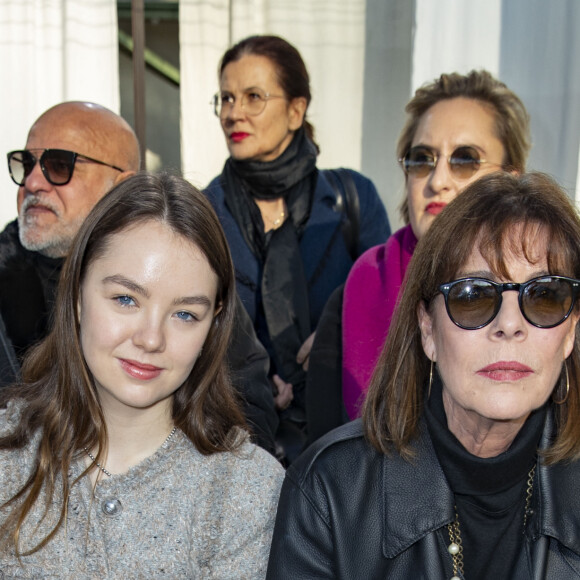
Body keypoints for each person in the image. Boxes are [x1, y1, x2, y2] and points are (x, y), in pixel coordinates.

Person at [267, 171, 580, 578]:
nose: (509, 324)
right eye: (473, 296)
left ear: (571, 331)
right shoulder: (329, 493)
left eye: (544, 296)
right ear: (428, 329)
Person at [0, 172, 284, 577]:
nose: (151, 339)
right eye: (126, 299)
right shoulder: (7, 459)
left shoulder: (245, 489)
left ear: (214, 323)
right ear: (78, 294)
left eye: (185, 314)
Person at [0, 101, 278, 452]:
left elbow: (246, 415)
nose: (34, 181)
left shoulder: (191, 277)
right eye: (27, 163)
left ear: (122, 185)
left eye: (59, 165)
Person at [306, 70, 531, 442]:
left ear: (510, 177)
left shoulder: (544, 298)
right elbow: (326, 454)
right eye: (422, 159)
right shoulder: (356, 291)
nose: (437, 179)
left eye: (465, 160)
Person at [204, 34, 390, 455]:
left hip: (345, 441)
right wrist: (242, 375)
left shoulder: (353, 199)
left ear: (295, 110)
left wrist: (334, 330)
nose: (234, 114)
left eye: (253, 97)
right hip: (239, 442)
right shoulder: (201, 214)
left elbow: (388, 306)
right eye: (227, 99)